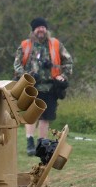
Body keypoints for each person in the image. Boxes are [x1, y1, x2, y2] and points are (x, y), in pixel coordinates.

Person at [13, 17, 73, 156]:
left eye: (43, 27)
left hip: (50, 87)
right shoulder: (25, 45)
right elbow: (17, 65)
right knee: (31, 115)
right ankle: (30, 142)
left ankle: (42, 144)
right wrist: (27, 75)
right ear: (33, 30)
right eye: (38, 27)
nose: (41, 30)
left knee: (45, 117)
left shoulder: (56, 44)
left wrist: (62, 76)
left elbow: (68, 61)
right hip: (31, 87)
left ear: (46, 29)